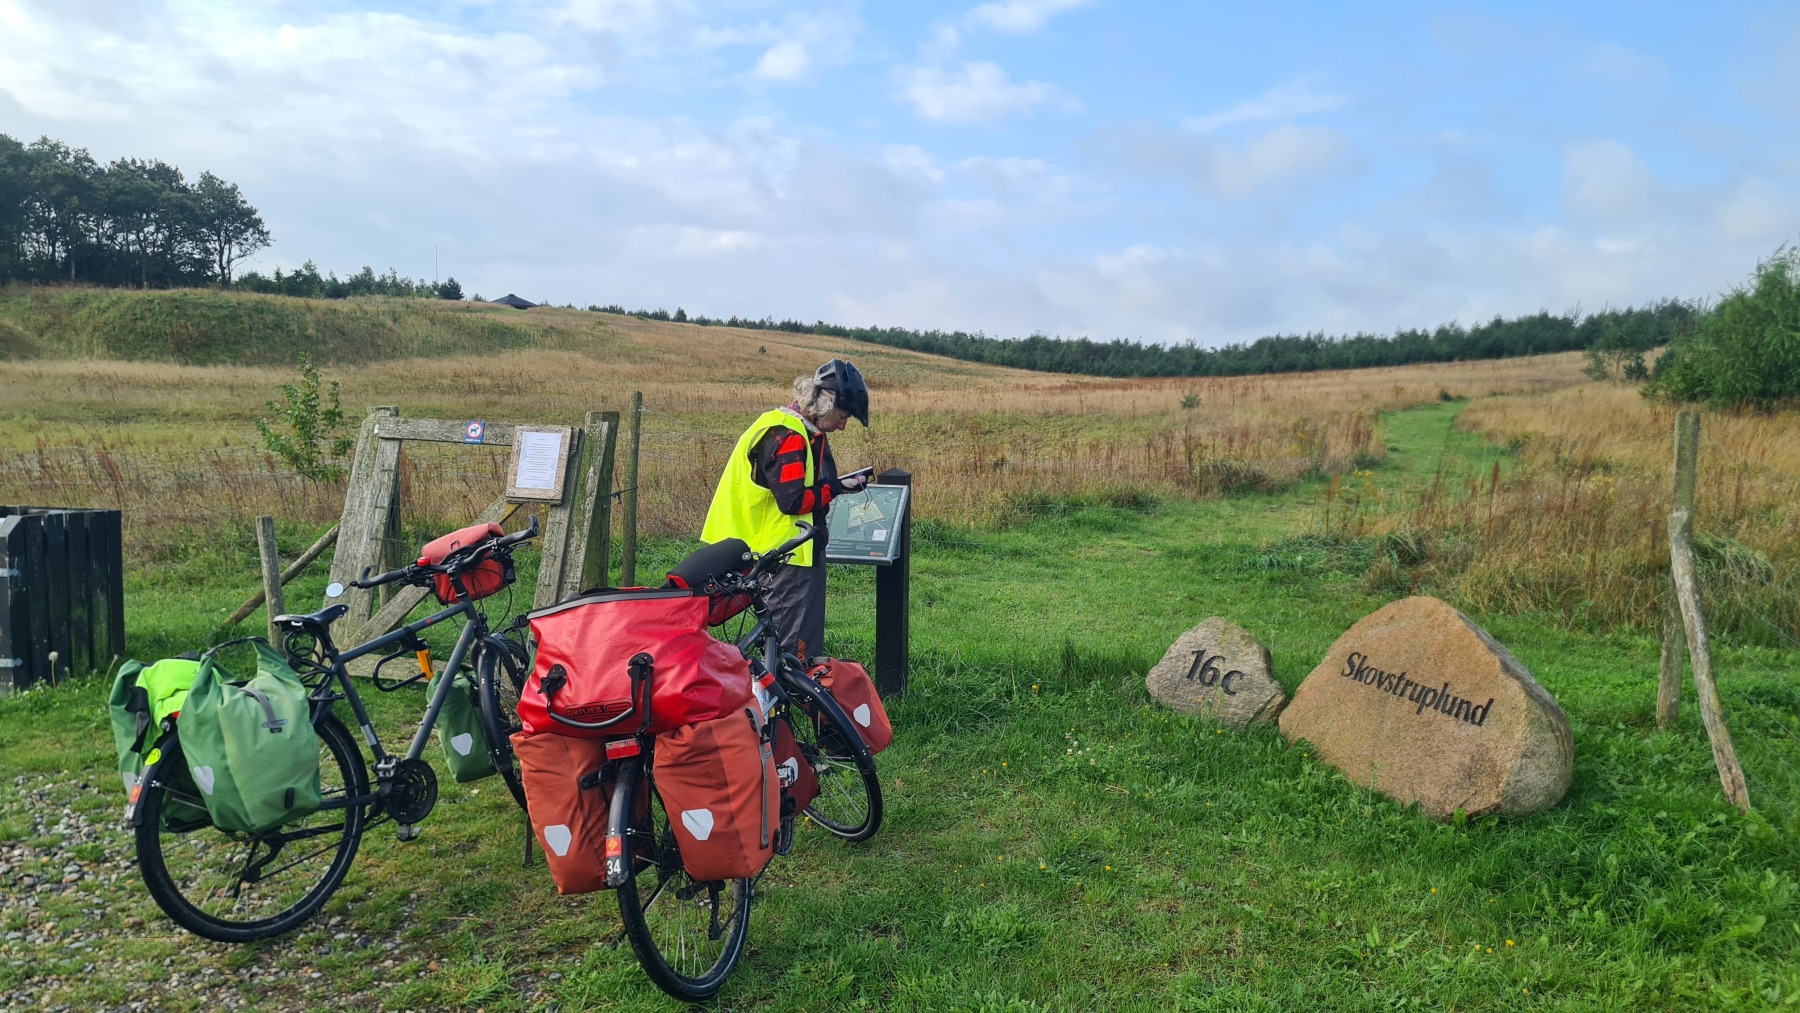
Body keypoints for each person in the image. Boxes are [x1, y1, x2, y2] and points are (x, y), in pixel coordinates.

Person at [701, 358, 870, 661]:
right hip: (786, 555)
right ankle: (782, 691)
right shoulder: (789, 436)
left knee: (777, 642)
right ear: (824, 404)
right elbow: (793, 502)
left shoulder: (779, 424)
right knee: (791, 650)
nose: (843, 425)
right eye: (843, 416)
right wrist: (837, 487)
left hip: (770, 550)